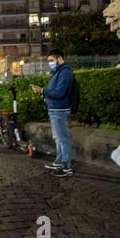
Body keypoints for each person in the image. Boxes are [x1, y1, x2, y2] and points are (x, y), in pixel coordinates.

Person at [31, 49, 74, 178]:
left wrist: (42, 90)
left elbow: (59, 93)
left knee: (63, 138)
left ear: (59, 58)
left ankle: (66, 166)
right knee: (58, 138)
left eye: (51, 60)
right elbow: (53, 90)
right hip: (55, 110)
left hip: (59, 110)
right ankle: (59, 162)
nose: (50, 63)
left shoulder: (65, 72)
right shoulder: (58, 72)